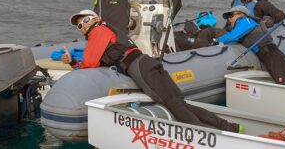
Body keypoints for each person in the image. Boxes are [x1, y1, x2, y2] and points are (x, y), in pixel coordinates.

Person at [62, 9, 243, 133]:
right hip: (146, 63)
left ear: (95, 19)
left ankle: (211, 139)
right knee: (180, 103)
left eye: (85, 20)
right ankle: (229, 127)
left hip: (139, 67)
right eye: (79, 26)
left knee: (175, 106)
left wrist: (74, 65)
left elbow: (90, 62)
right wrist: (73, 62)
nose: (83, 26)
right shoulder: (107, 29)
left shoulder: (98, 30)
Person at [218, 6, 285, 86]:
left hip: (268, 52)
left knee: (283, 79)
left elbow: (232, 36)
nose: (229, 19)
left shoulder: (245, 20)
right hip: (271, 52)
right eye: (228, 18)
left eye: (231, 15)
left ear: (242, 14)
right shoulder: (249, 23)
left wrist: (218, 40)